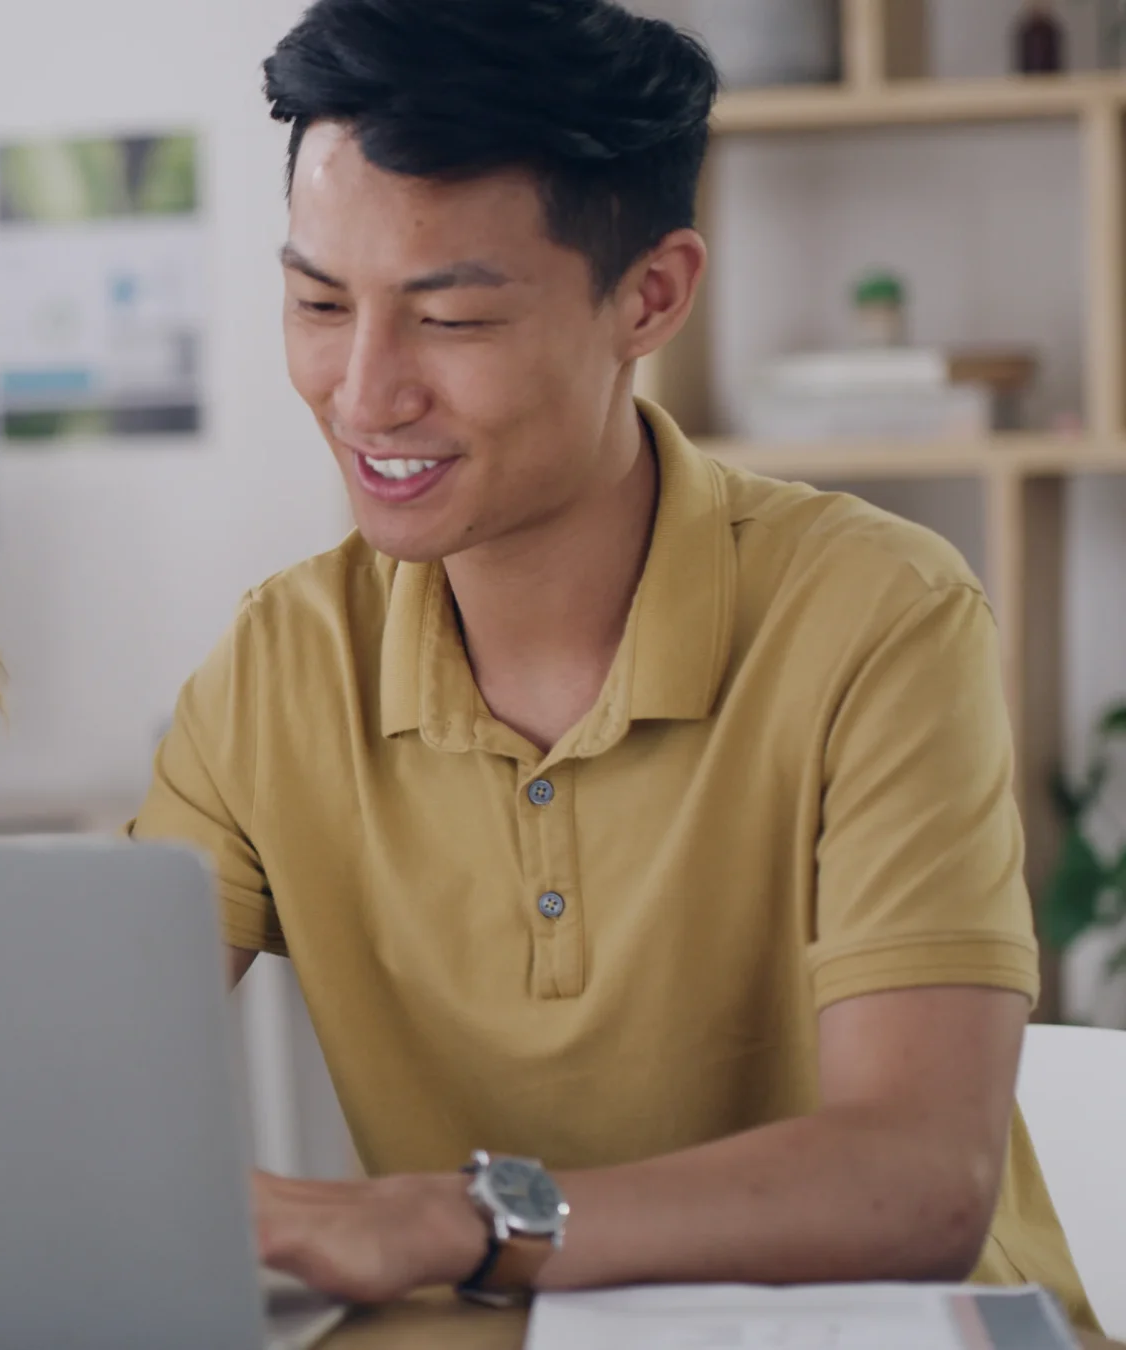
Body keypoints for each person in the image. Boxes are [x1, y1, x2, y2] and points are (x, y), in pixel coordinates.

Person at [129, 0, 1098, 1332]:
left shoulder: (879, 614)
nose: (363, 391)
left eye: (450, 320)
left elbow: (917, 1178)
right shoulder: (274, 668)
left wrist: (444, 1217)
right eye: (317, 302)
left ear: (651, 295)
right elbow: (61, 1090)